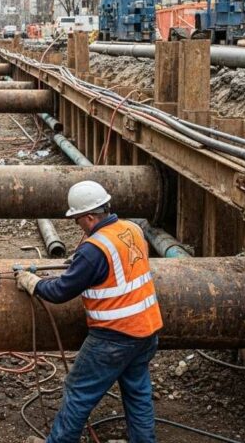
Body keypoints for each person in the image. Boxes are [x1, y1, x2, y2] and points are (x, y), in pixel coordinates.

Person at [17, 181, 163, 443]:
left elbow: (61, 292)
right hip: (147, 330)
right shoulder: (132, 229)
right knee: (138, 392)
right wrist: (79, 267)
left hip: (114, 337)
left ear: (91, 217)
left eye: (77, 220)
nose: (77, 225)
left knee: (78, 391)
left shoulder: (94, 250)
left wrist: (34, 283)